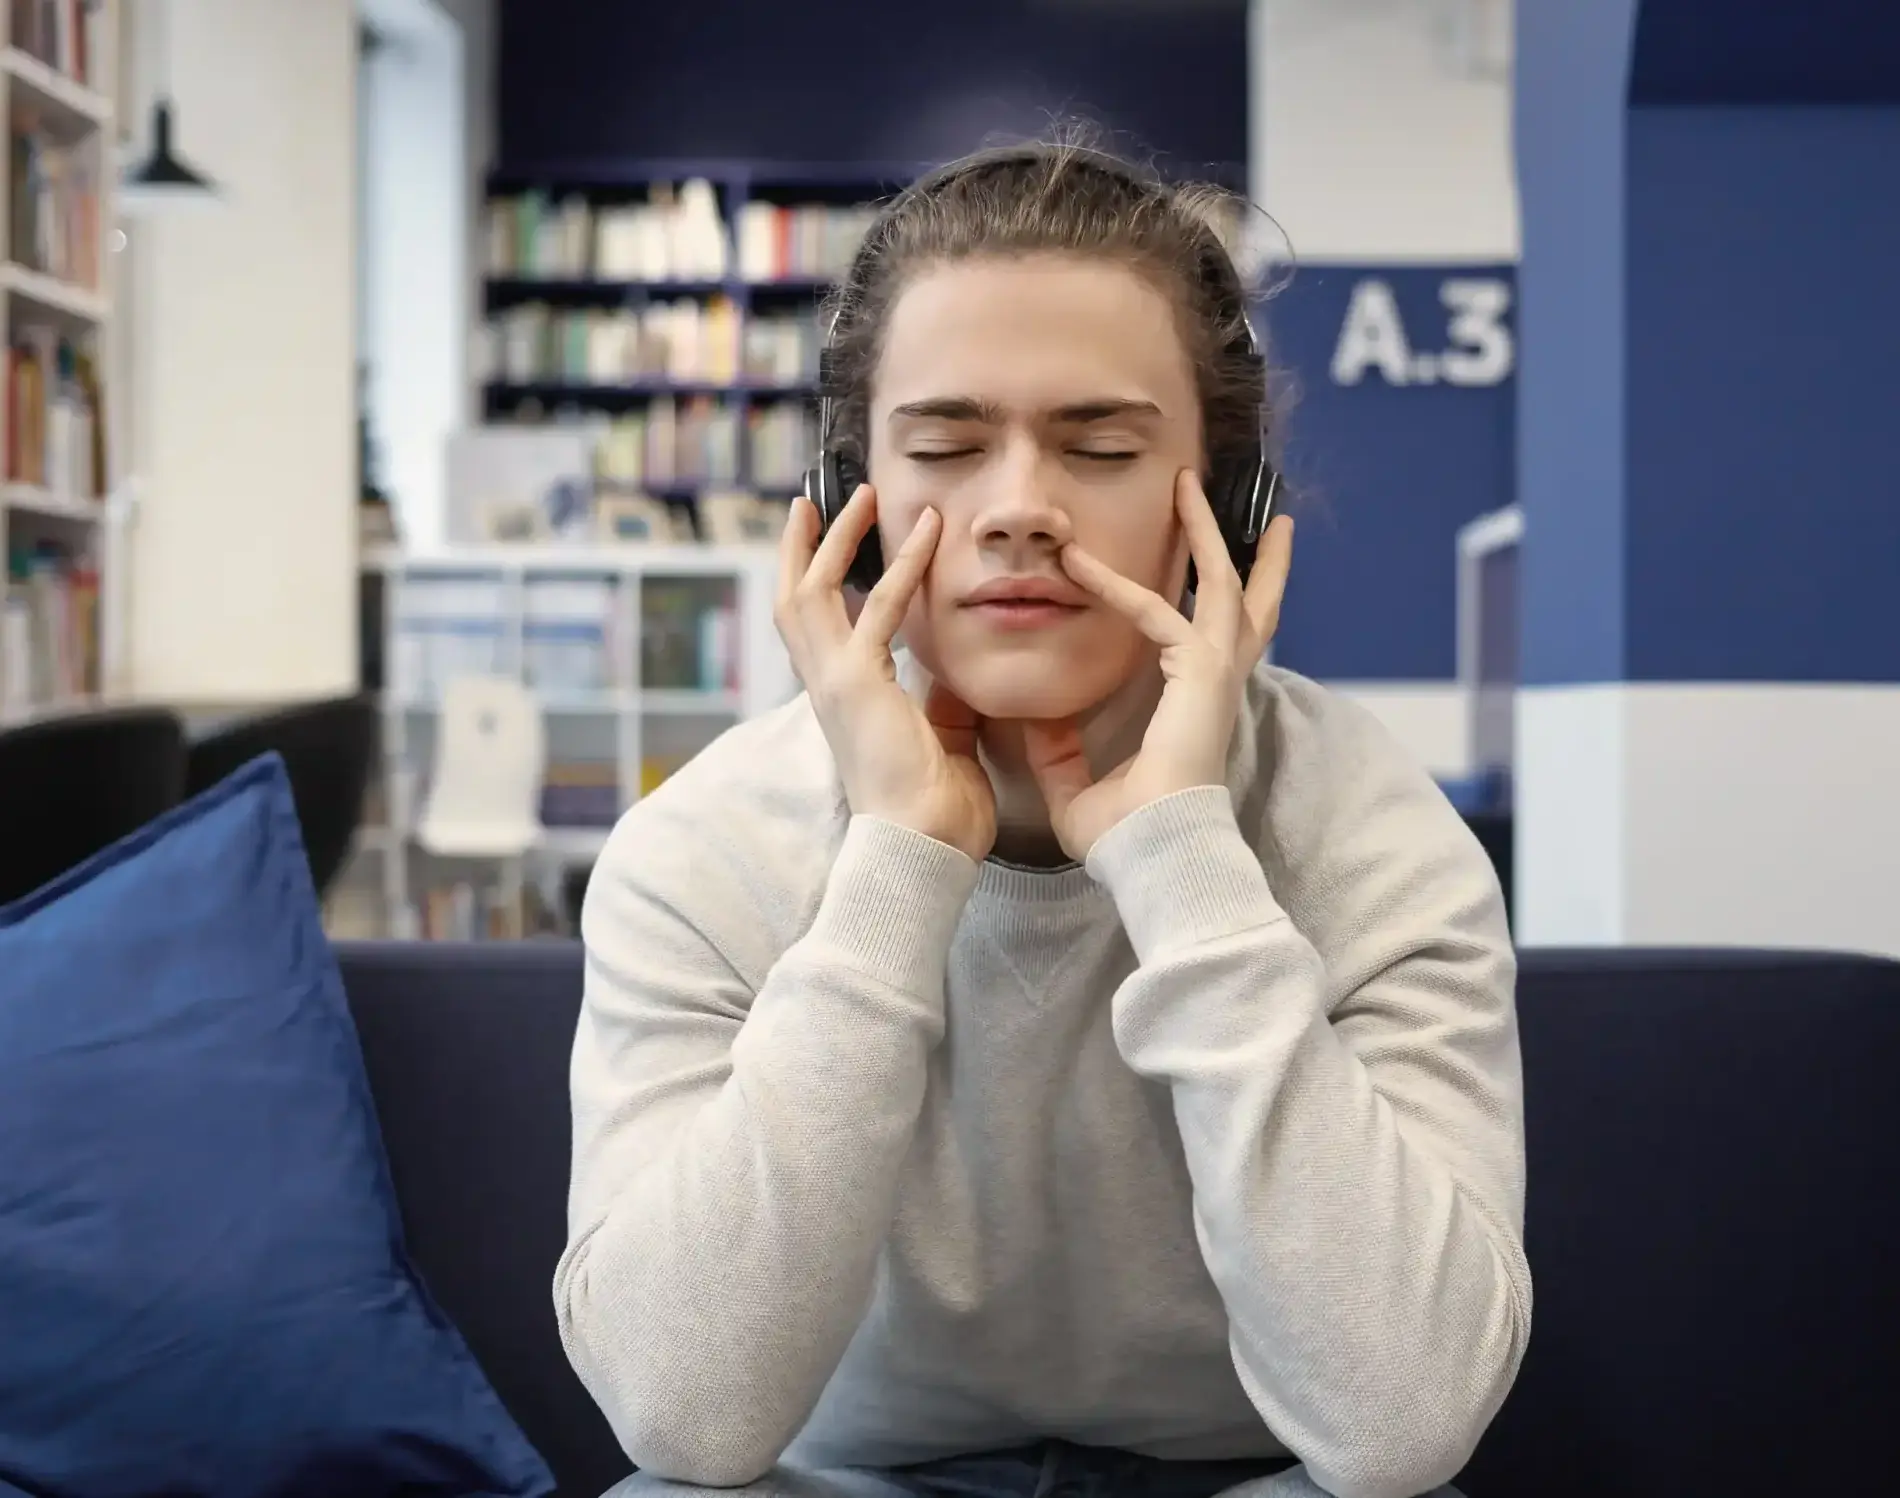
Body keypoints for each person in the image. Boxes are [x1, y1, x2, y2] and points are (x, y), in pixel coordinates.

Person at [556, 136, 1530, 1498]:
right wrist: (895, 862)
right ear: (852, 503)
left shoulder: (1366, 826)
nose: (1018, 507)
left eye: (1103, 444)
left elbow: (1404, 1424)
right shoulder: (707, 846)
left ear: (1233, 511)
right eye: (946, 444)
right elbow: (684, 1416)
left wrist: (1185, 854)